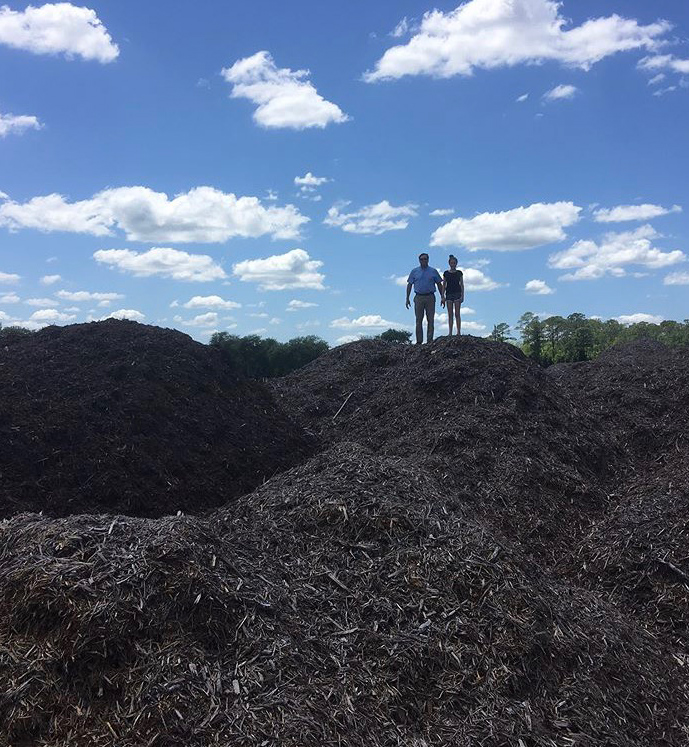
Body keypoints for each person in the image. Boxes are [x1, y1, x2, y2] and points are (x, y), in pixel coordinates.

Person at [405, 252, 444, 344]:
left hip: (430, 297)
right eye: (421, 259)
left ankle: (429, 341)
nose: (423, 261)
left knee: (430, 319)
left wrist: (443, 296)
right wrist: (407, 298)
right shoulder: (414, 271)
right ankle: (419, 341)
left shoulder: (433, 271)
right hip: (418, 297)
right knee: (418, 320)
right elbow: (409, 284)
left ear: (428, 260)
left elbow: (439, 284)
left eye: (425, 259)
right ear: (419, 260)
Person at [442, 254, 465, 336]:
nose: (453, 264)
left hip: (457, 293)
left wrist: (463, 296)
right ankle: (450, 332)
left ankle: (458, 332)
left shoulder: (459, 273)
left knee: (457, 313)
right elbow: (444, 285)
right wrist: (442, 296)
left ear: (456, 263)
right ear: (449, 263)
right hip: (449, 294)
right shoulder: (446, 273)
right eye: (451, 263)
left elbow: (462, 284)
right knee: (450, 314)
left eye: (454, 263)